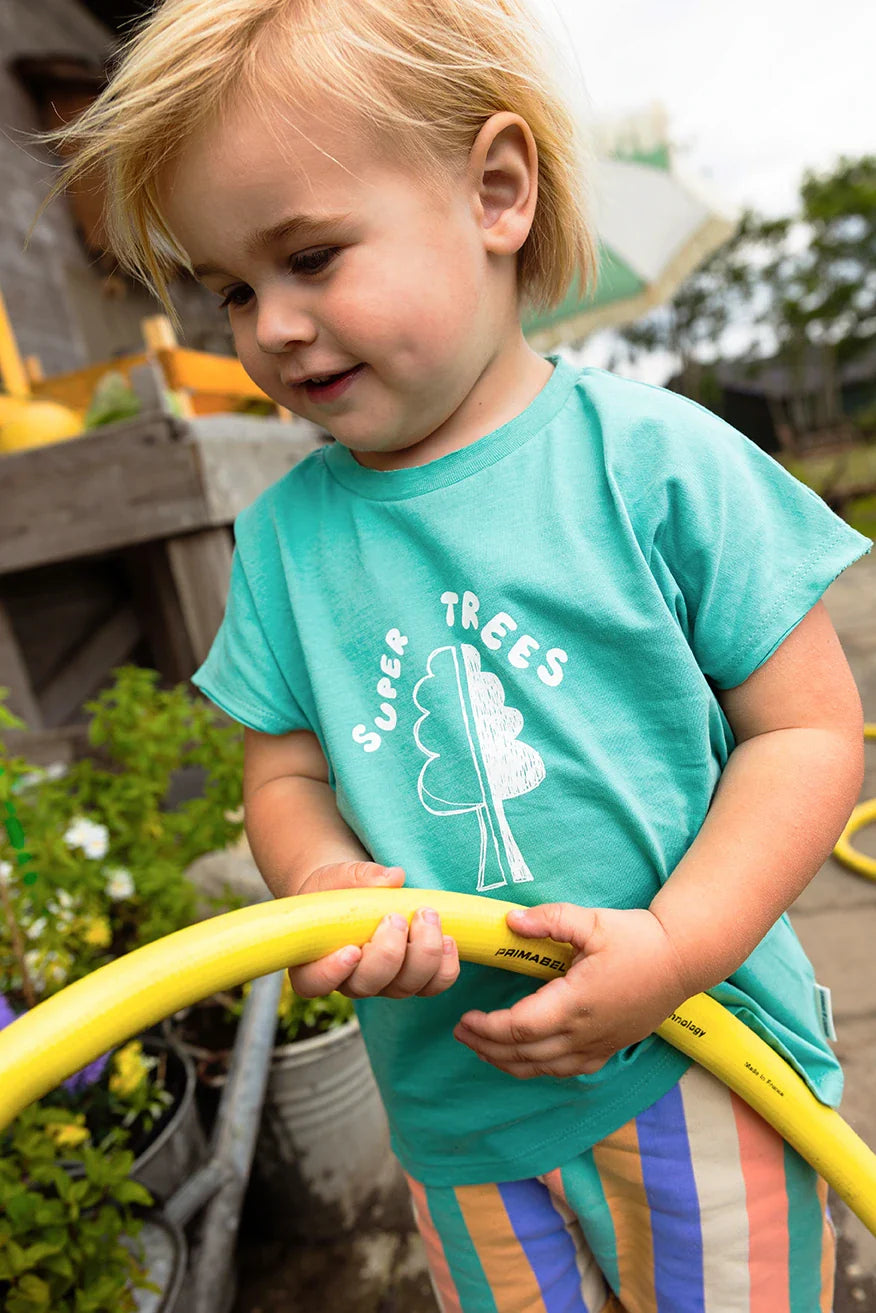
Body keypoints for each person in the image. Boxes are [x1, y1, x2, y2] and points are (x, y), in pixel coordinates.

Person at [35, 0, 872, 1307]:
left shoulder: (654, 462)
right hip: (457, 1117)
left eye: (311, 255)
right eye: (232, 291)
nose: (273, 327)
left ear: (495, 192)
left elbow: (809, 732)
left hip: (699, 1066)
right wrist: (324, 875)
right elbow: (285, 776)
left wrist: (671, 945)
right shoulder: (287, 544)